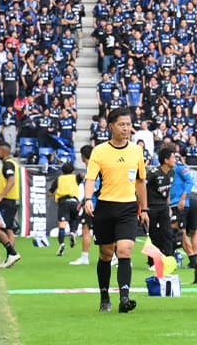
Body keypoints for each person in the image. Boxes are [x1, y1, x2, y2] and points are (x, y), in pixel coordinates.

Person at [82, 107, 149, 312]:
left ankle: (124, 298)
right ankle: (104, 297)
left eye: (128, 124)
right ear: (111, 126)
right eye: (122, 124)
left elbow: (140, 182)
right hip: (105, 207)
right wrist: (87, 198)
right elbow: (91, 178)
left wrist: (144, 209)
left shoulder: (136, 151)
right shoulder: (99, 151)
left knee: (125, 250)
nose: (126, 128)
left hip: (128, 208)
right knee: (106, 254)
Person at [0, 139, 22, 268]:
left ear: (3, 151)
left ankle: (12, 253)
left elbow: (11, 181)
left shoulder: (8, 164)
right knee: (8, 229)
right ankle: (10, 258)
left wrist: (0, 197)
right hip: (11, 200)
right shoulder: (12, 163)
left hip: (7, 201)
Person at [146, 146, 177, 259]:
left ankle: (168, 258)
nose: (175, 160)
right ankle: (152, 261)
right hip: (152, 207)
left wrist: (168, 206)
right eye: (173, 157)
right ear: (166, 160)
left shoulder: (172, 172)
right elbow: (142, 187)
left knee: (167, 232)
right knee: (153, 234)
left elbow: (167, 190)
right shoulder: (153, 173)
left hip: (163, 206)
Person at [171, 152, 197, 270]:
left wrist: (183, 198)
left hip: (182, 202)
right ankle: (194, 259)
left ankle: (192, 258)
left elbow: (190, 181)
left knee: (181, 231)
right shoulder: (177, 167)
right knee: (194, 231)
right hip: (190, 200)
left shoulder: (178, 168)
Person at [70, 145, 96, 266]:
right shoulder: (92, 167)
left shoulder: (93, 168)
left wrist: (86, 200)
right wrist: (82, 201)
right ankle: (116, 257)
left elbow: (95, 188)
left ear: (83, 156)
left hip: (93, 204)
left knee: (86, 229)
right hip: (94, 203)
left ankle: (85, 257)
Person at [49, 160, 81, 257]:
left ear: (62, 171)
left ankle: (62, 244)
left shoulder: (59, 179)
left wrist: (57, 194)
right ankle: (72, 233)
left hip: (63, 202)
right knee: (74, 219)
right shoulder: (75, 177)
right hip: (75, 202)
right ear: (73, 171)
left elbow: (50, 193)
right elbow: (83, 176)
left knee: (62, 226)